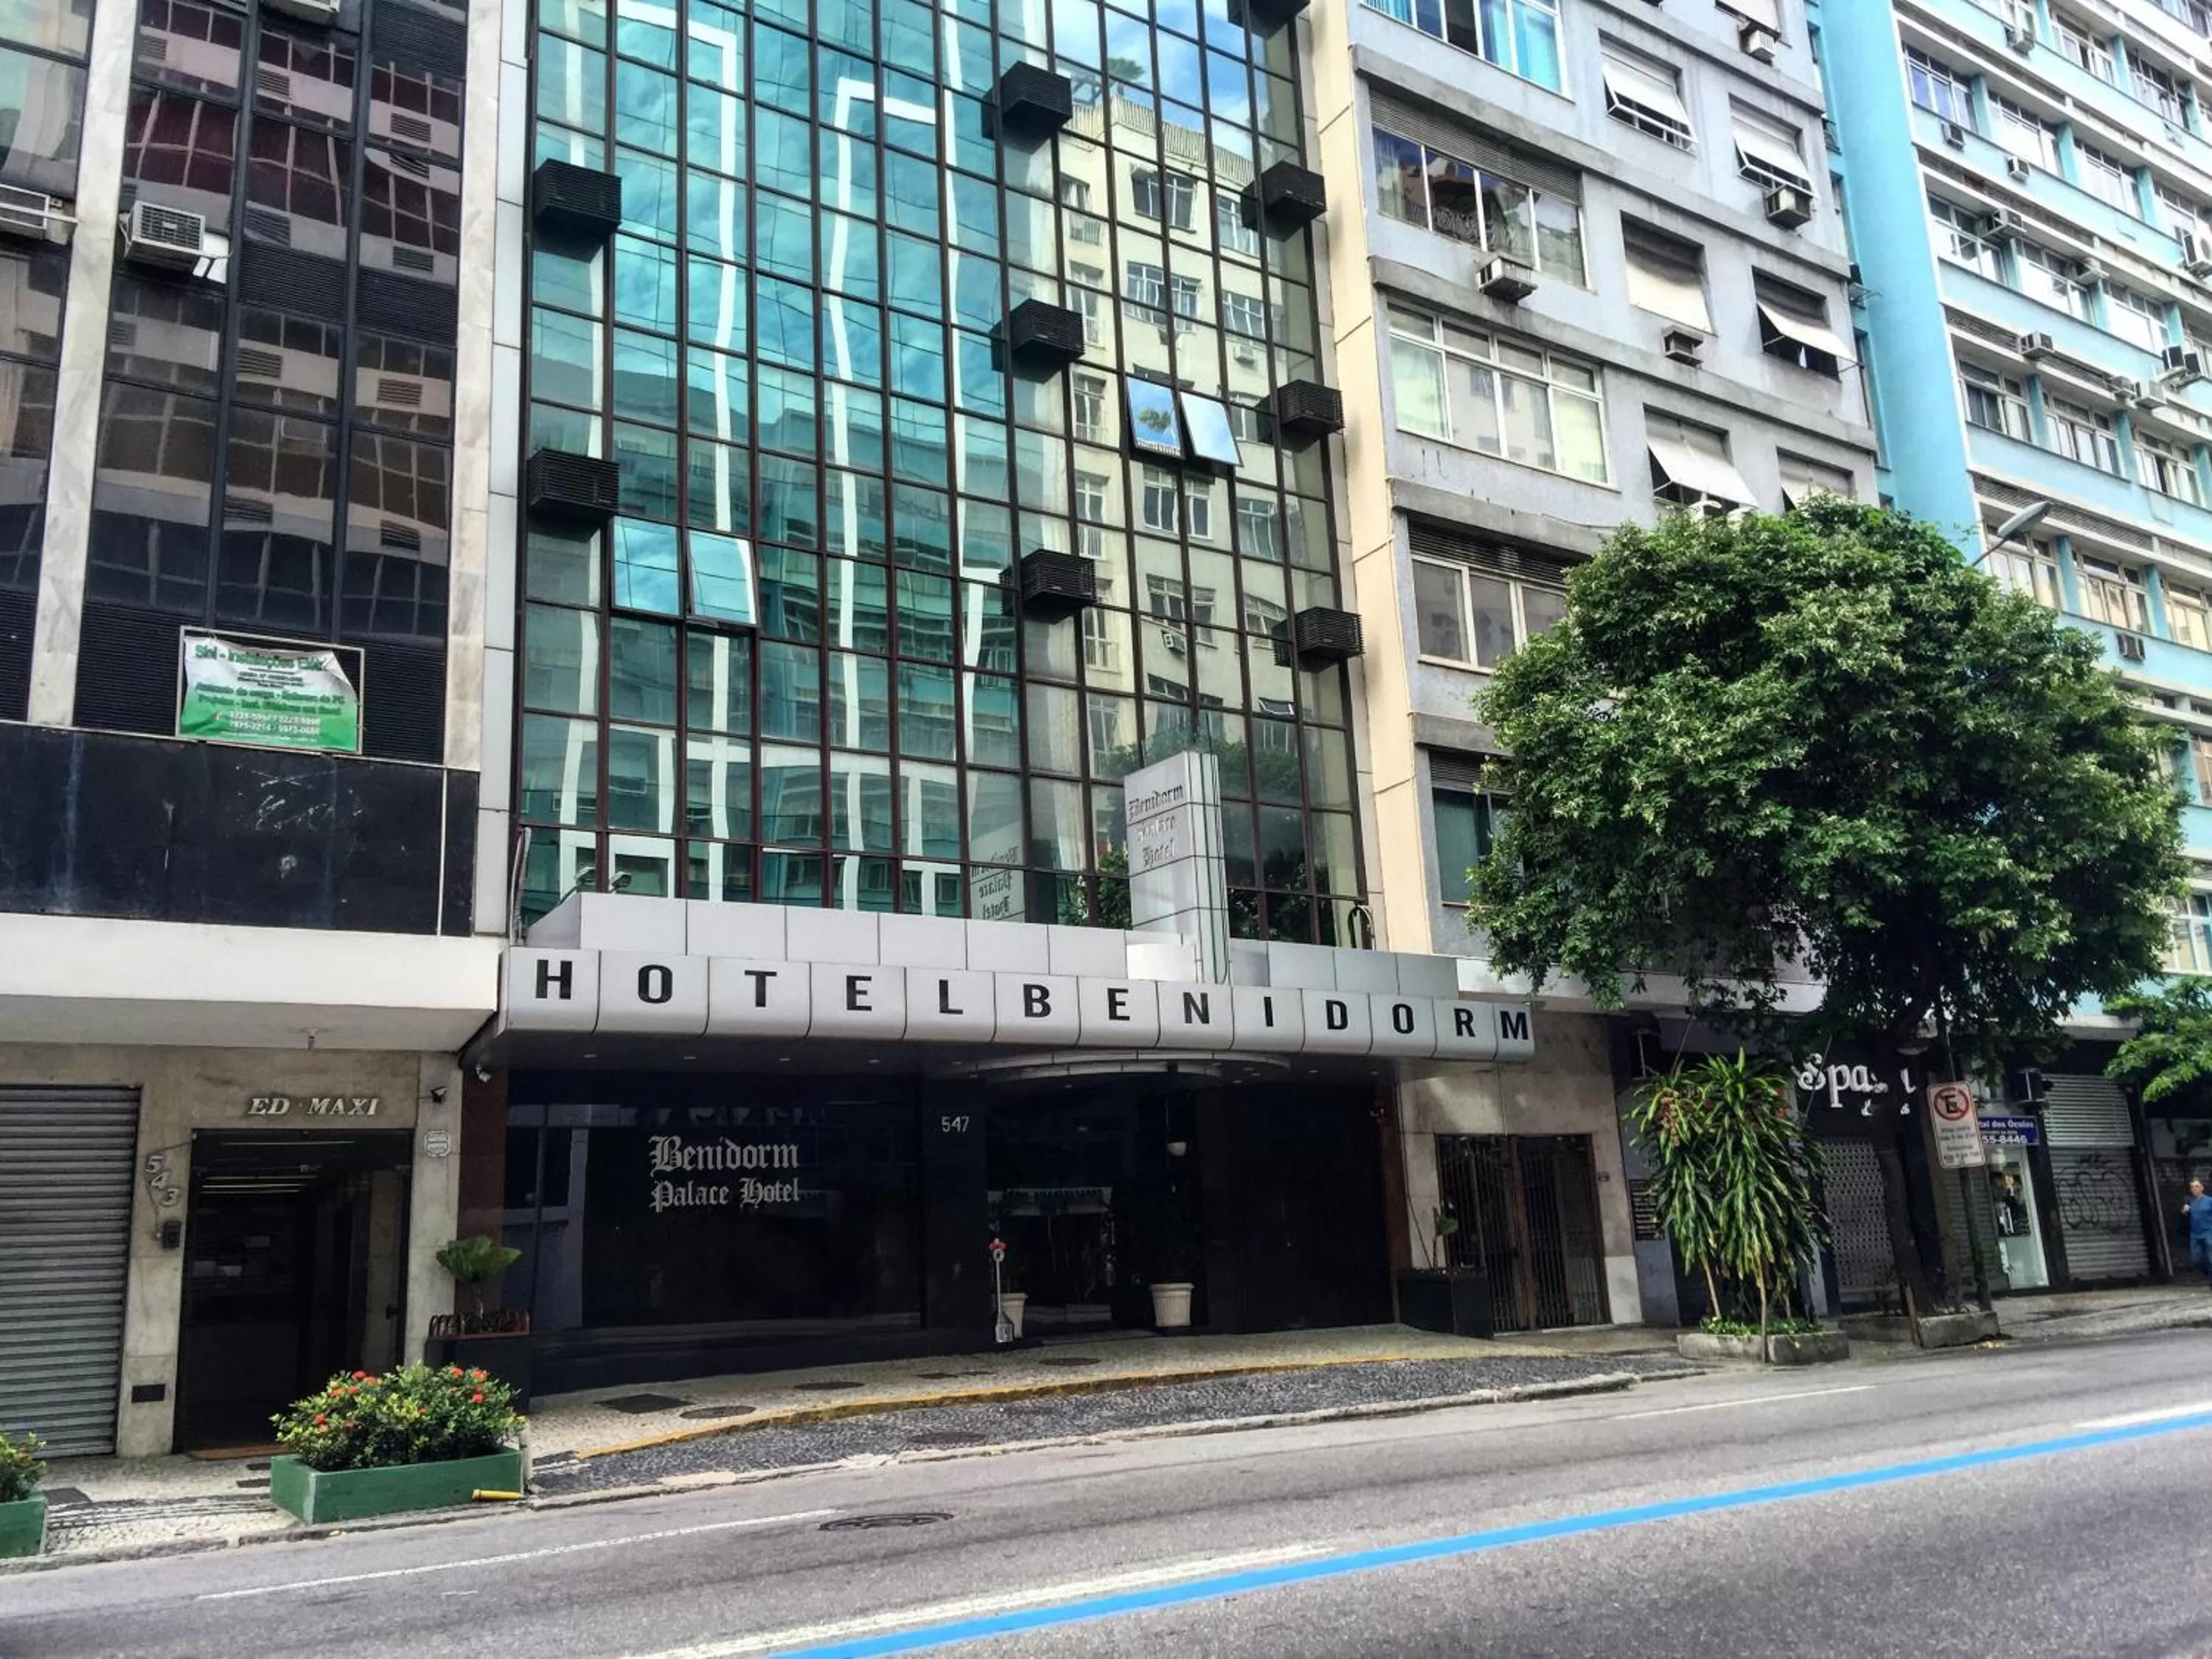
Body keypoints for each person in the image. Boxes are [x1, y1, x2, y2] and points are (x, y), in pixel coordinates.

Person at [2187, 1179, 2212, 1289]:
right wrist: (2184, 1211)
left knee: (2211, 1257)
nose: (2194, 1189)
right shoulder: (2190, 1202)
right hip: (2195, 1234)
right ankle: (2209, 1275)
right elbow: (2183, 1216)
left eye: (2197, 1186)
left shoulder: (2209, 1201)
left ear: (2202, 1188)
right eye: (2192, 1187)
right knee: (2196, 1259)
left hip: (2209, 1232)